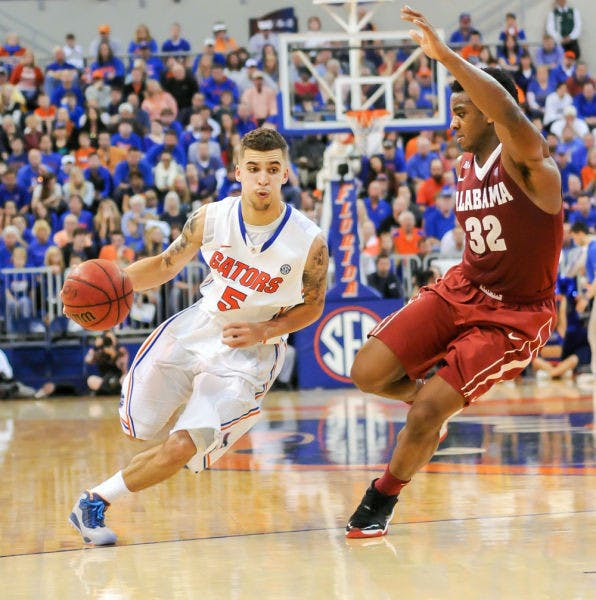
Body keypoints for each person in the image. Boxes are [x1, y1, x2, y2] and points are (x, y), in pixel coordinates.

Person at [344, 6, 563, 539]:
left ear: (491, 110)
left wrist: (447, 57)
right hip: (463, 286)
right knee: (367, 372)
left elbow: (512, 118)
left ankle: (383, 496)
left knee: (426, 415)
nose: (454, 120)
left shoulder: (535, 165)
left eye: (463, 110)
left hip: (513, 314)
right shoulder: (465, 165)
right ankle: (429, 407)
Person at [68, 127, 329, 545]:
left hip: (251, 355)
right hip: (199, 325)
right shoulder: (210, 218)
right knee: (139, 428)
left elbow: (313, 305)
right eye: (254, 168)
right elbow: (167, 264)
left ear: (285, 175)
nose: (263, 179)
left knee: (181, 446)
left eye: (272, 169)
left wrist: (265, 329)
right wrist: (116, 281)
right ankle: (183, 411)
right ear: (238, 171)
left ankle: (94, 501)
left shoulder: (309, 241)